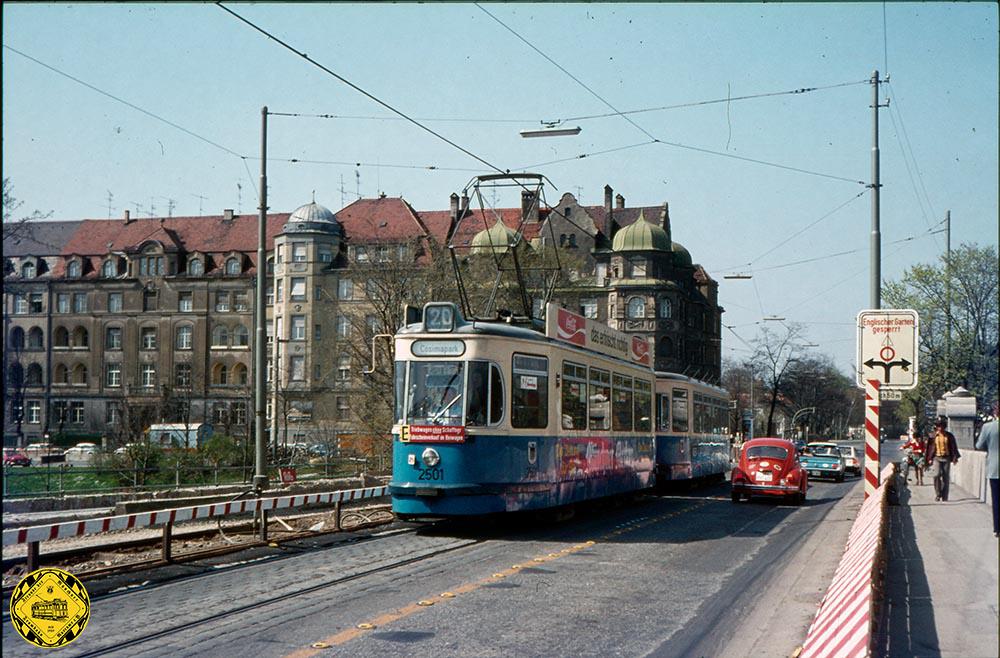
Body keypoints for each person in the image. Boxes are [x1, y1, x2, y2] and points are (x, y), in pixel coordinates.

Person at [975, 401, 999, 537]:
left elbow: (979, 445)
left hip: (994, 468)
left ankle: (997, 528)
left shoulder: (988, 427)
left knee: (996, 500)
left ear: (995, 412)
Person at [926, 416, 961, 502]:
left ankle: (945, 496)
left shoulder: (949, 436)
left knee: (945, 477)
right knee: (936, 474)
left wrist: (954, 457)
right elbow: (929, 448)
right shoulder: (933, 436)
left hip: (946, 458)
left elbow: (953, 447)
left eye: (941, 426)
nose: (940, 428)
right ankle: (938, 494)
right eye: (938, 426)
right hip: (936, 457)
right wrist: (929, 458)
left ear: (944, 426)